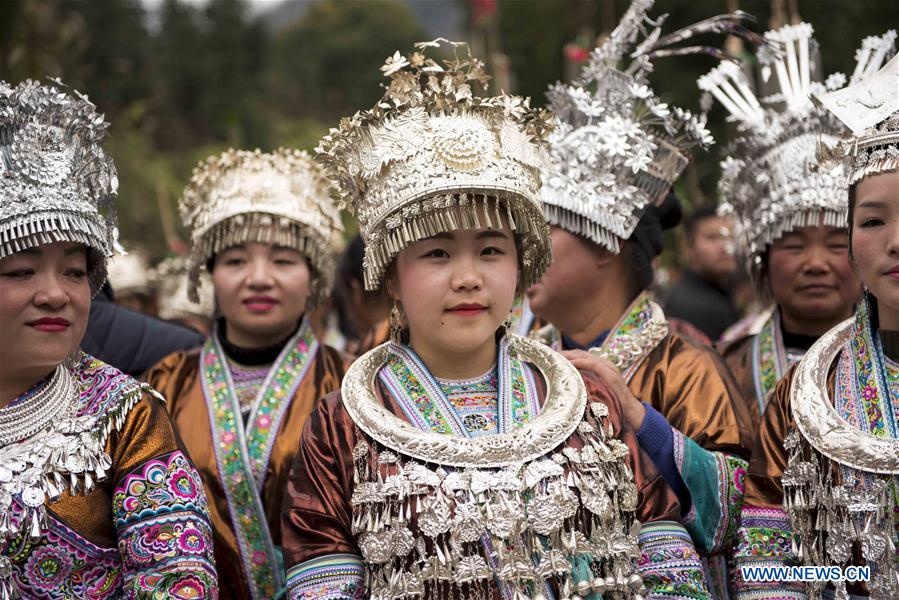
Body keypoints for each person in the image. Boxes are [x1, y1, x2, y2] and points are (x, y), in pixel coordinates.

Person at [282, 35, 711, 600]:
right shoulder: (342, 425)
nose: (468, 277)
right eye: (437, 253)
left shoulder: (585, 401)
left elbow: (668, 566)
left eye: (490, 250)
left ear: (521, 265)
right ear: (391, 275)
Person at [0, 78, 217, 598]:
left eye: (74, 272)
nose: (55, 294)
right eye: (22, 271)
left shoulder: (125, 415)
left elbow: (178, 579)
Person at [734, 40, 899, 599]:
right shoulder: (805, 392)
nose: (895, 242)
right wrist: (849, 579)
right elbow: (767, 562)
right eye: (872, 221)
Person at [145, 148, 346, 599]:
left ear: (312, 275)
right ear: (210, 273)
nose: (258, 278)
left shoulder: (351, 384)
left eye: (283, 260)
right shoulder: (164, 383)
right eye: (235, 261)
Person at [705, 23, 863, 426]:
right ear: (764, 256)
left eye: (836, 244)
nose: (816, 264)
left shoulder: (891, 360)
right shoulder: (723, 367)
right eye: (794, 245)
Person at [664, 208, 740, 341]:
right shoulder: (693, 306)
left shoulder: (718, 294)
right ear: (688, 247)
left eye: (731, 236)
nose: (725, 246)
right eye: (712, 237)